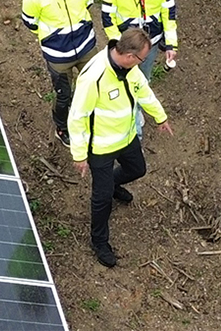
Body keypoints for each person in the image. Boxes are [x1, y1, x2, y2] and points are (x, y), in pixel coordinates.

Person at [68, 26, 173, 268]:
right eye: (141, 59)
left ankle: (114, 183)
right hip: (101, 148)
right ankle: (99, 241)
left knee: (138, 169)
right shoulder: (94, 76)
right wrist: (79, 154)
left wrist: (160, 117)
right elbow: (77, 117)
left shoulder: (130, 69)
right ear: (128, 55)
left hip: (126, 139)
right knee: (101, 198)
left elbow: (143, 92)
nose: (142, 63)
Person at [21, 0, 99, 146]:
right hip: (58, 55)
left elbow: (89, 1)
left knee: (95, 84)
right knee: (63, 94)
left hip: (86, 45)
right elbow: (30, 22)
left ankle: (93, 118)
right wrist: (52, 37)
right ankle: (62, 127)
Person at [102, 0, 177, 87]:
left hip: (151, 41)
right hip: (126, 45)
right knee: (122, 81)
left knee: (143, 80)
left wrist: (171, 44)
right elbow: (107, 17)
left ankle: (139, 105)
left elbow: (169, 14)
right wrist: (118, 43)